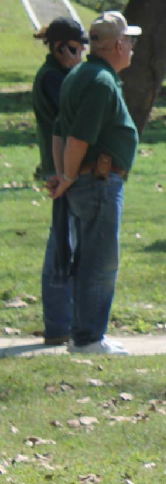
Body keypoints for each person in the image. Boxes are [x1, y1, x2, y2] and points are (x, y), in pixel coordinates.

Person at [46, 11, 142, 355]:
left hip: (86, 181)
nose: (132, 46)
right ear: (118, 44)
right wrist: (68, 177)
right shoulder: (100, 81)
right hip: (99, 183)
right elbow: (77, 139)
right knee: (100, 263)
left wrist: (63, 174)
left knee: (87, 260)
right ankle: (89, 339)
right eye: (129, 40)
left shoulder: (79, 75)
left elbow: (58, 133)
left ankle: (86, 335)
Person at [31, 18, 87, 346]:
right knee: (61, 246)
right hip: (60, 168)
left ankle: (63, 323)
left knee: (67, 243)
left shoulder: (61, 74)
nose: (80, 55)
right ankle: (57, 326)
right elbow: (70, 114)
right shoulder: (53, 77)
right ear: (59, 48)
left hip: (66, 167)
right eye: (76, 49)